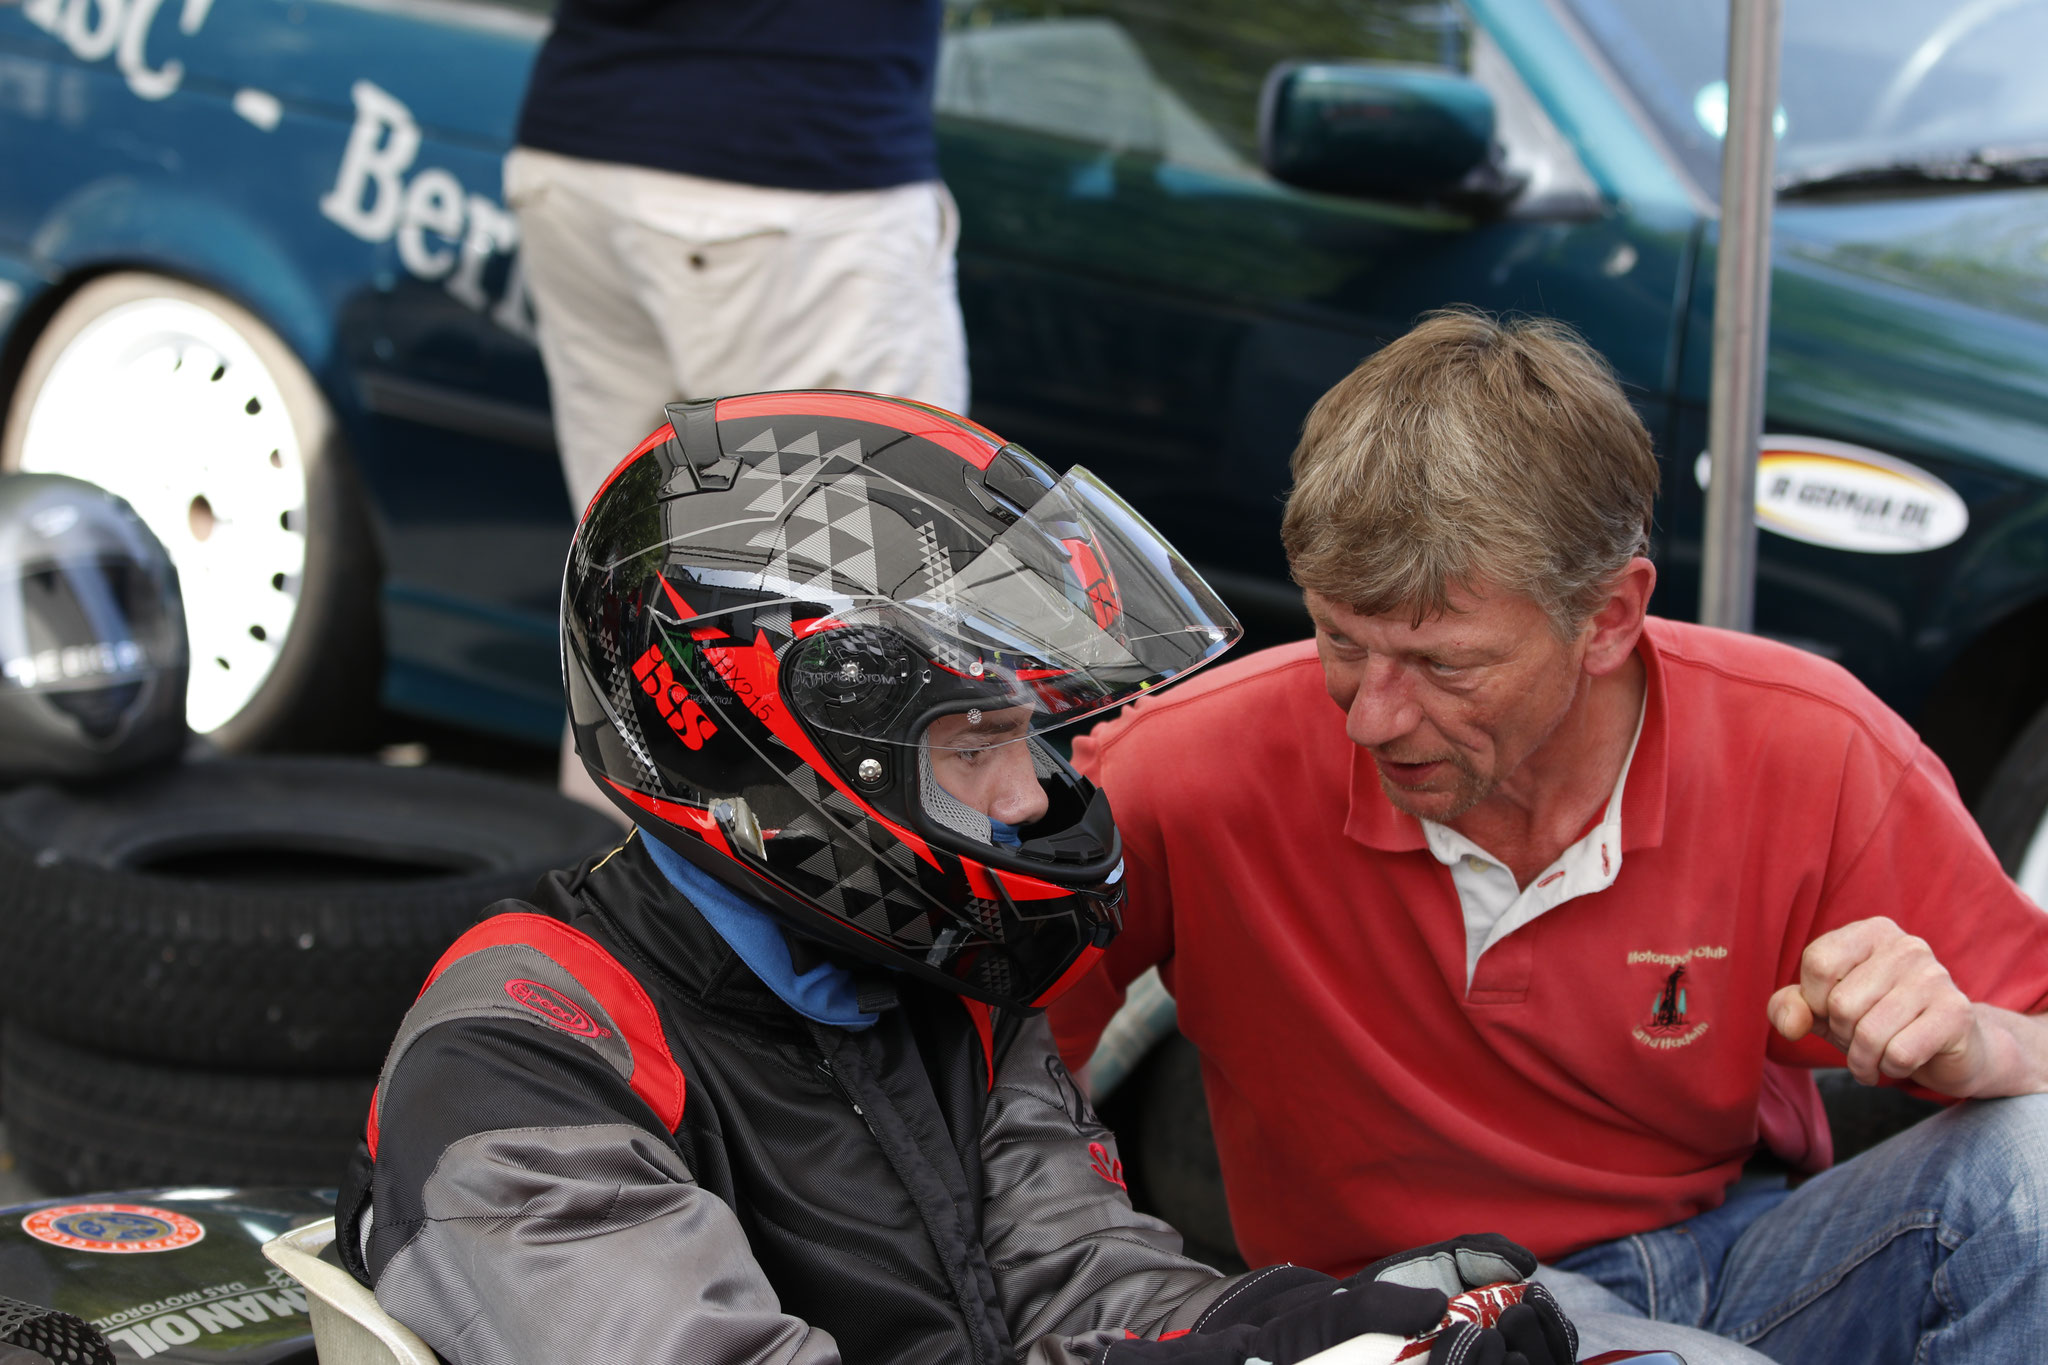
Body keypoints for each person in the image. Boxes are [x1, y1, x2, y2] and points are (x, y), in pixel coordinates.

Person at [333, 393, 1582, 1365]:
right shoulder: (524, 1058)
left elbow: (1084, 1284)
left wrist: (1307, 1330)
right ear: (782, 750)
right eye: (977, 747)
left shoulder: (937, 977)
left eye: (1026, 740)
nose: (1031, 799)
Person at [1048, 310, 2048, 1365]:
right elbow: (981, 1088)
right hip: (1422, 1315)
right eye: (1339, 639)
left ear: (1610, 617)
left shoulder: (1812, 744)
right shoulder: (1186, 769)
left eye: (1443, 665)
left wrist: (1973, 1042)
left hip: (1748, 1252)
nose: (1370, 715)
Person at [503, 0, 970, 813]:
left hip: (581, 149)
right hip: (794, 167)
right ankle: (829, 932)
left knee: (629, 595)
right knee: (865, 624)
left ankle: (601, 919)